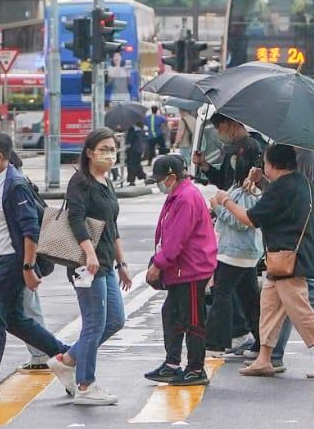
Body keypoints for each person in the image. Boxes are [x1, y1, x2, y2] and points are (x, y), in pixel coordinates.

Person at [217, 142, 314, 406]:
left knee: (301, 311)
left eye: (265, 163)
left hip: (289, 260)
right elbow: (276, 203)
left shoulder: (283, 187)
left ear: (272, 164)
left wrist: (225, 201)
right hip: (285, 258)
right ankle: (265, 358)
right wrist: (264, 182)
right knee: (269, 306)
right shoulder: (298, 182)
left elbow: (250, 218)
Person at [0, 130, 74, 403]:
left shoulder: (14, 185)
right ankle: (68, 354)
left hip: (10, 262)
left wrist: (28, 267)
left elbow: (30, 230)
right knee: (16, 320)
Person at [59, 127, 131, 405]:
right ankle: (86, 386)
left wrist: (122, 262)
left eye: (113, 149)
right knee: (94, 323)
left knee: (115, 319)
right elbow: (75, 219)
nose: (110, 154)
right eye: (104, 149)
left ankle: (68, 359)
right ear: (89, 152)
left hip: (105, 263)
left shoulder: (106, 181)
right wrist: (88, 252)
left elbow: (112, 227)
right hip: (84, 264)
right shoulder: (81, 181)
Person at [146, 153, 218, 390]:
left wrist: (159, 263)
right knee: (172, 314)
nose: (159, 184)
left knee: (193, 319)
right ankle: (172, 363)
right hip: (180, 269)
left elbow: (177, 239)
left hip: (191, 269)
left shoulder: (186, 198)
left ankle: (196, 368)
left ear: (171, 177)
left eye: (160, 179)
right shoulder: (178, 195)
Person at [204, 170, 263, 357]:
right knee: (249, 297)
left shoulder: (247, 191)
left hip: (235, 252)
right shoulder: (242, 187)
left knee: (222, 294)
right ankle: (256, 341)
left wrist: (219, 207)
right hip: (241, 251)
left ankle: (216, 344)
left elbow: (242, 222)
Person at [194, 114, 266, 190]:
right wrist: (203, 164)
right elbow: (222, 181)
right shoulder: (231, 149)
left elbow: (248, 185)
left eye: (219, 128)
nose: (218, 133)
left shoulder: (253, 147)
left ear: (233, 124)